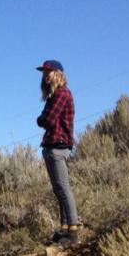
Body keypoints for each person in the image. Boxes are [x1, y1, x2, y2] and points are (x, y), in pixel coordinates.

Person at [35, 59, 80, 243]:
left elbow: (48, 120)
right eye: (44, 73)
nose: (46, 76)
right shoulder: (54, 96)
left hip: (58, 146)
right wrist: (42, 118)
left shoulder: (62, 94)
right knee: (58, 188)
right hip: (52, 145)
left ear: (58, 74)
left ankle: (73, 230)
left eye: (49, 72)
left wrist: (41, 119)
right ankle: (64, 228)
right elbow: (45, 119)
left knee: (63, 187)